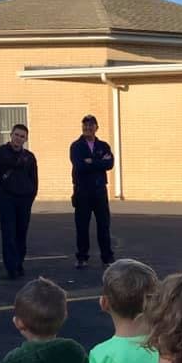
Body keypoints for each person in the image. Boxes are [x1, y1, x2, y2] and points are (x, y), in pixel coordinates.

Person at [0, 124, 39, 279]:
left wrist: (31, 196)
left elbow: (34, 179)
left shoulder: (29, 157)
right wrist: (0, 195)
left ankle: (19, 263)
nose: (19, 138)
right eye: (16, 135)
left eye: (22, 136)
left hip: (24, 200)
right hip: (6, 200)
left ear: (26, 139)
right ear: (11, 135)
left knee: (21, 233)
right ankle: (11, 267)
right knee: (8, 234)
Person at [70, 114, 115, 269]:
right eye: (85, 126)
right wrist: (99, 163)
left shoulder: (103, 146)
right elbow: (79, 166)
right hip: (82, 191)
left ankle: (107, 257)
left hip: (99, 190)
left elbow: (109, 164)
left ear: (96, 127)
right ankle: (82, 257)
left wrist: (92, 162)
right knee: (82, 226)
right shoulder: (76, 146)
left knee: (104, 225)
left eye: (90, 125)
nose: (87, 128)